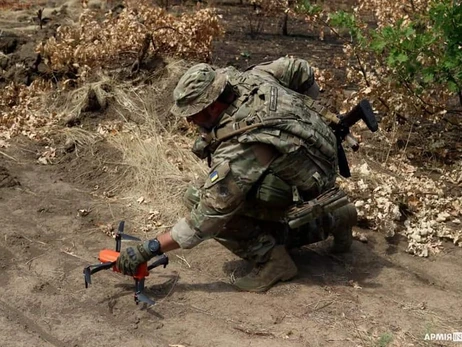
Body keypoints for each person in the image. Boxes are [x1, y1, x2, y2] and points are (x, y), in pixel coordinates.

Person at [116, 57, 357, 292]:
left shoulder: (243, 145)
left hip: (308, 182)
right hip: (319, 159)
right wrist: (306, 122)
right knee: (238, 194)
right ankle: (339, 215)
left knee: (197, 199)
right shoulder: (249, 79)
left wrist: (150, 248)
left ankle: (276, 260)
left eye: (194, 113)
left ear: (213, 106)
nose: (190, 120)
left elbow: (206, 218)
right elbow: (299, 68)